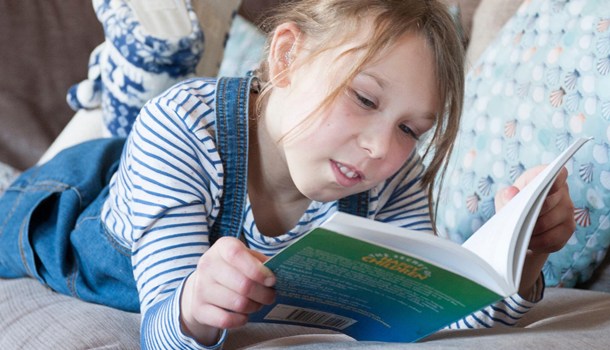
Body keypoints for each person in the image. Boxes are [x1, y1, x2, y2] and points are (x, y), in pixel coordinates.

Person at [0, 0, 576, 349]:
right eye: (364, 99)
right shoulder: (182, 128)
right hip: (74, 209)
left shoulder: (388, 176)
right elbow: (162, 332)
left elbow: (430, 319)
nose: (380, 147)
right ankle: (128, 80)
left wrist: (523, 259)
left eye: (410, 129)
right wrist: (194, 308)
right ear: (286, 58)